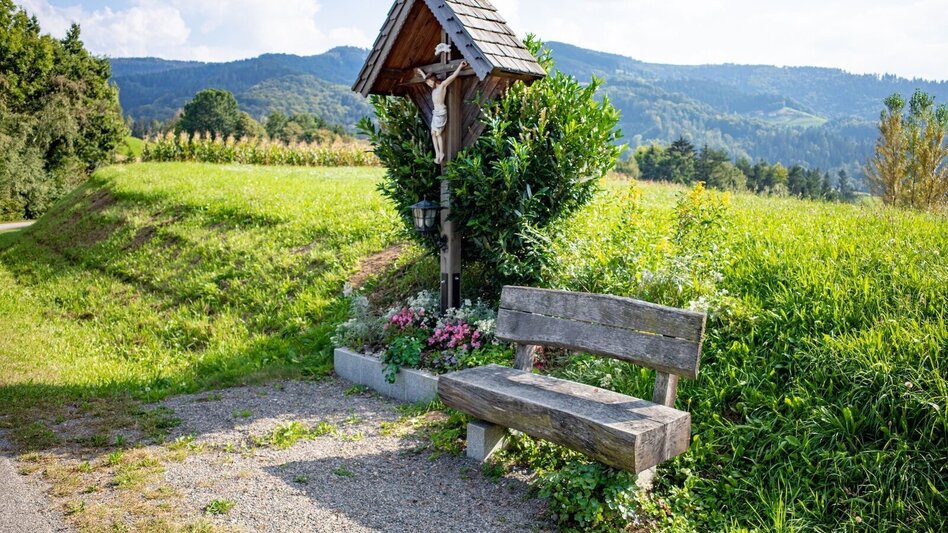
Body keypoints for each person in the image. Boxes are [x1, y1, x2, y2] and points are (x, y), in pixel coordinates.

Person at [416, 60, 468, 164]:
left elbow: (452, 76)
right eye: (427, 83)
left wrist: (460, 67)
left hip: (441, 113)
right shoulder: (433, 89)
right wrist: (421, 72)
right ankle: (437, 153)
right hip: (435, 113)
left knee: (438, 133)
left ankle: (441, 153)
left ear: (434, 80)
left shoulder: (442, 86)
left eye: (430, 82)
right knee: (432, 133)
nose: (429, 84)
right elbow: (426, 78)